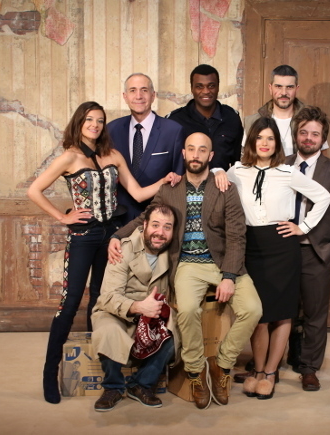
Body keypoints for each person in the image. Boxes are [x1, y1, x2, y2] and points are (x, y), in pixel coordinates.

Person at [27, 101, 180, 404]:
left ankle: (98, 367)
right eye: (89, 120)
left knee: (100, 299)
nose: (95, 125)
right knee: (70, 303)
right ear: (79, 122)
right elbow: (34, 190)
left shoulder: (113, 155)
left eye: (99, 120)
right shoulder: (70, 157)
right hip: (84, 235)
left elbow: (137, 193)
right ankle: (49, 374)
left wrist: (165, 181)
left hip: (110, 234)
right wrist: (63, 217)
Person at [109, 132, 262, 409]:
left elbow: (237, 235)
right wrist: (117, 236)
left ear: (210, 156)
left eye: (202, 150)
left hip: (222, 261)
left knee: (253, 309)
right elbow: (146, 218)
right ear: (183, 153)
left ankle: (222, 365)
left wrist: (229, 276)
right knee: (188, 310)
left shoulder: (225, 188)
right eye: (191, 149)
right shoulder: (170, 188)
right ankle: (195, 370)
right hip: (188, 264)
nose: (196, 154)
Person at [226, 117, 330, 400]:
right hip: (250, 246)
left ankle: (271, 372)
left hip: (283, 247)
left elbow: (323, 197)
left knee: (283, 313)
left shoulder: (287, 172)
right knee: (258, 314)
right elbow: (217, 178)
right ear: (251, 141)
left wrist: (303, 227)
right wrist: (216, 170)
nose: (264, 143)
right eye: (259, 137)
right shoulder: (237, 171)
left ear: (277, 144)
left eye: (270, 138)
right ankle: (258, 370)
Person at [285, 106, 330, 391]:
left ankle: (309, 367)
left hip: (317, 253)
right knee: (283, 310)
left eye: (315, 134)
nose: (309, 138)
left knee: (315, 314)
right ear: (296, 135)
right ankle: (281, 360)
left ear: (323, 138)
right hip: (283, 251)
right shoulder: (280, 165)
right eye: (304, 132)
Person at [91, 204, 179, 412]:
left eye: (167, 227)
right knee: (108, 331)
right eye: (155, 225)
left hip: (153, 313)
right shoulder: (124, 248)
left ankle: (141, 384)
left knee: (175, 333)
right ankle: (113, 387)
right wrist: (138, 306)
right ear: (145, 225)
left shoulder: (173, 253)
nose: (160, 232)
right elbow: (108, 297)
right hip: (118, 310)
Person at [108, 73, 185, 222]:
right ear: (125, 96)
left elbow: (178, 179)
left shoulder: (173, 131)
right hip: (118, 221)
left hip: (159, 220)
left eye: (144, 90)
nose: (139, 96)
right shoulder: (111, 130)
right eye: (133, 90)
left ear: (153, 95)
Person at [167, 64, 244, 171]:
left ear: (218, 87)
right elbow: (168, 162)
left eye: (211, 86)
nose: (206, 91)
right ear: (192, 89)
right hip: (185, 181)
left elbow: (236, 162)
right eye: (199, 86)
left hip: (222, 180)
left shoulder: (231, 118)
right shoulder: (175, 121)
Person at [243, 65, 328, 156]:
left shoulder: (311, 120)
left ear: (297, 89)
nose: (284, 93)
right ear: (270, 88)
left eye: (289, 87)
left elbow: (322, 157)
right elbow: (246, 156)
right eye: (278, 86)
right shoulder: (253, 121)